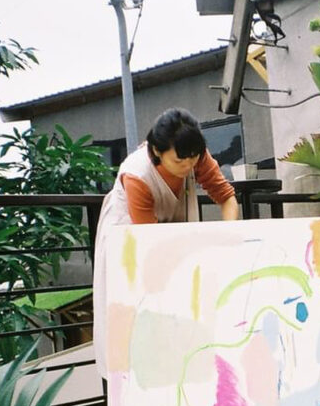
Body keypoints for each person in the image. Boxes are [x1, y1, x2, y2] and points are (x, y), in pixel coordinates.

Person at [92, 108, 241, 378]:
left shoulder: (195, 154)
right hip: (130, 239)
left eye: (193, 159)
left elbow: (227, 198)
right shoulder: (137, 175)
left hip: (168, 234)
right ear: (157, 151)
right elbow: (150, 245)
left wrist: (227, 237)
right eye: (179, 161)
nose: (188, 166)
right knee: (138, 315)